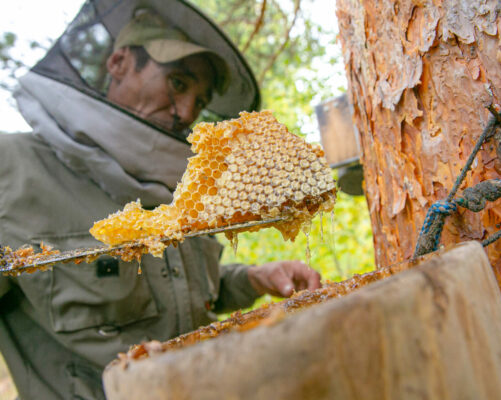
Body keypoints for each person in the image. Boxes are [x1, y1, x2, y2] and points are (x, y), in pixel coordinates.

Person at [0, 2, 321, 399]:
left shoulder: (175, 188)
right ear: (118, 62)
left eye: (200, 102)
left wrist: (253, 278)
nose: (187, 113)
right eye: (178, 84)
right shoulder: (11, 171)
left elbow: (188, 292)